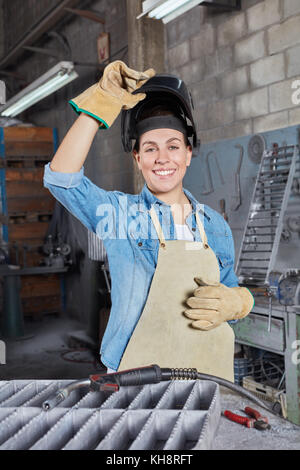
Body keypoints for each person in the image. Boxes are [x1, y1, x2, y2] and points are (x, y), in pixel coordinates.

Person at [44, 61, 254, 381]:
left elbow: (227, 293)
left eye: (173, 147)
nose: (162, 158)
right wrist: (102, 101)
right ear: (137, 158)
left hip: (206, 370)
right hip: (135, 374)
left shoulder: (215, 225)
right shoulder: (120, 215)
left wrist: (240, 302)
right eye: (150, 148)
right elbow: (61, 179)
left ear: (188, 153)